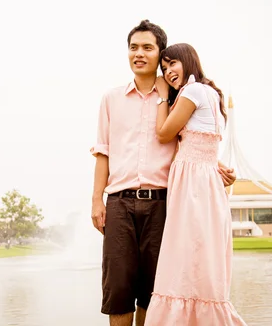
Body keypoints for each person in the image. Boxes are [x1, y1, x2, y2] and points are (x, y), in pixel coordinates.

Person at [90, 20, 237, 326]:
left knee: (155, 291)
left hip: (163, 205)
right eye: (133, 48)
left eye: (147, 48)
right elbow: (102, 151)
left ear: (160, 54)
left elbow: (191, 144)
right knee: (117, 290)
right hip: (119, 203)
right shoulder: (111, 98)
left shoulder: (177, 98)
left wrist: (215, 167)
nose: (139, 54)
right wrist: (96, 201)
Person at [143, 43, 247, 325]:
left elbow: (164, 134)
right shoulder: (210, 93)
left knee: (184, 256)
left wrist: (163, 96)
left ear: (188, 61)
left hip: (193, 185)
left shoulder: (192, 91)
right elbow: (204, 144)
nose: (168, 72)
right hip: (205, 181)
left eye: (172, 64)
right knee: (200, 256)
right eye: (164, 69)